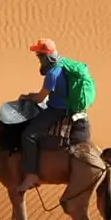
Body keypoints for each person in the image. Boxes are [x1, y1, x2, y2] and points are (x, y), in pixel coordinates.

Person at [15, 38, 70, 192]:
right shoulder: (65, 64)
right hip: (66, 105)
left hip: (57, 110)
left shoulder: (52, 73)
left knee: (28, 135)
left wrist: (27, 97)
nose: (38, 59)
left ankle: (31, 174)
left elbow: (40, 98)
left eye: (40, 56)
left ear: (47, 57)